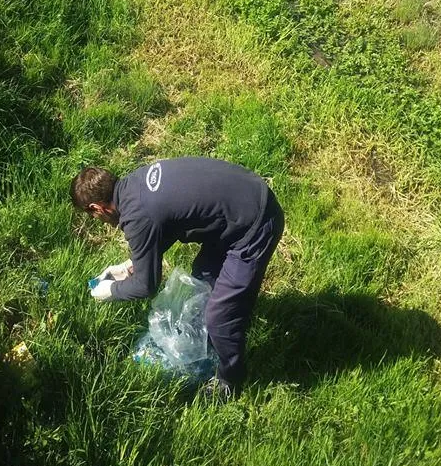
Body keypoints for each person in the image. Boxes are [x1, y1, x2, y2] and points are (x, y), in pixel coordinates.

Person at [70, 157, 284, 400]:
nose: (97, 221)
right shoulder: (135, 185)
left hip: (256, 224)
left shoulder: (137, 217)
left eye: (92, 216)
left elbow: (146, 286)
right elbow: (168, 222)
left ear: (97, 208)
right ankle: (218, 337)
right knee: (204, 276)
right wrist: (132, 265)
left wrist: (110, 291)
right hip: (242, 200)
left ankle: (229, 380)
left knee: (219, 317)